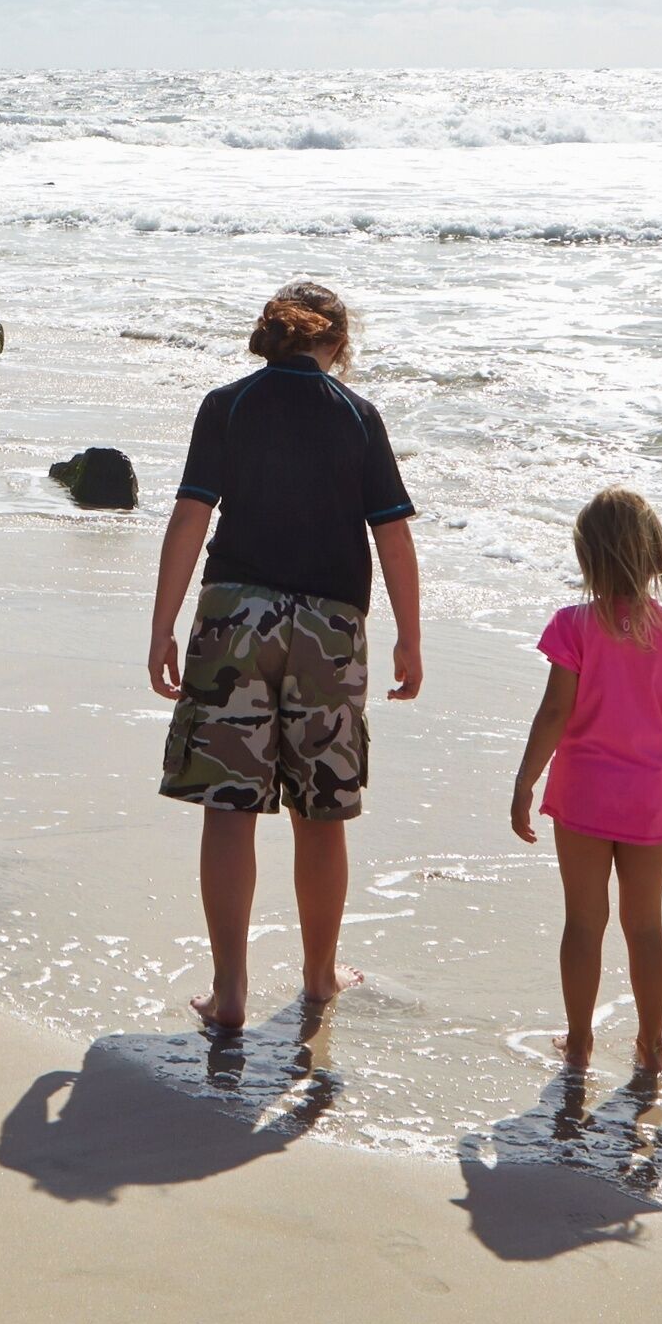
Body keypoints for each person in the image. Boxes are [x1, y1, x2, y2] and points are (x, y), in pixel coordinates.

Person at [148, 281, 424, 1032]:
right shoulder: (359, 417)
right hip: (330, 626)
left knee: (230, 809)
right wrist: (409, 634)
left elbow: (189, 516)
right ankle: (318, 977)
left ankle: (230, 991)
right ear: (337, 342)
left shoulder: (228, 404)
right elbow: (392, 533)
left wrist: (163, 624)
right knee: (321, 813)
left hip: (236, 615)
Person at [505, 486, 662, 1076]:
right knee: (645, 926)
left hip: (581, 798)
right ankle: (651, 1046)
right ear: (652, 555)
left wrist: (526, 780)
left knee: (583, 921)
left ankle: (578, 1043)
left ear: (587, 559)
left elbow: (554, 712)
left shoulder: (574, 626)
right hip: (647, 802)